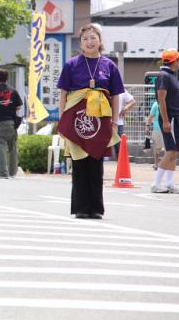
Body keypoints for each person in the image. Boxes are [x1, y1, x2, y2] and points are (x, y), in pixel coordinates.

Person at [57, 23, 123, 219]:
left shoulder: (109, 65)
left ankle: (96, 208)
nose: (89, 42)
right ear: (81, 42)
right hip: (77, 118)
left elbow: (116, 95)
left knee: (96, 164)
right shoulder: (71, 64)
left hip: (100, 120)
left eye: (93, 38)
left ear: (100, 40)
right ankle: (80, 208)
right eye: (85, 39)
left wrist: (114, 120)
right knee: (79, 163)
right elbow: (63, 93)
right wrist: (62, 120)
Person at [151, 49, 179, 194]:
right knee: (171, 151)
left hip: (177, 118)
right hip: (171, 118)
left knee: (175, 151)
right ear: (174, 61)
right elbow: (161, 99)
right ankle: (156, 183)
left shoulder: (170, 75)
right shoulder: (164, 76)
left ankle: (170, 183)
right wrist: (165, 121)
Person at [114, 89, 135, 161]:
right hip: (104, 122)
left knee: (119, 148)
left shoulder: (120, 88)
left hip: (118, 122)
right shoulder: (104, 85)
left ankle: (121, 169)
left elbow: (132, 101)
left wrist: (125, 108)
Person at [145, 100, 164, 170]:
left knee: (166, 148)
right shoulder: (156, 104)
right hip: (157, 128)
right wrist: (147, 126)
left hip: (166, 128)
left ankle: (163, 164)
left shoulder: (169, 102)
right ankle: (156, 164)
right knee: (156, 148)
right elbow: (150, 116)